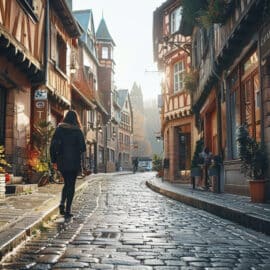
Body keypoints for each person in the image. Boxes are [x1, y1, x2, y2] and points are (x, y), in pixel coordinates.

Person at [50, 110, 86, 219]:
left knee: (66, 183)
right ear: (76, 119)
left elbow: (53, 146)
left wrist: (54, 160)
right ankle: (68, 209)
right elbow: (83, 148)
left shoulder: (59, 129)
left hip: (62, 161)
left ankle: (61, 204)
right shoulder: (78, 131)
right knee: (71, 185)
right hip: (74, 162)